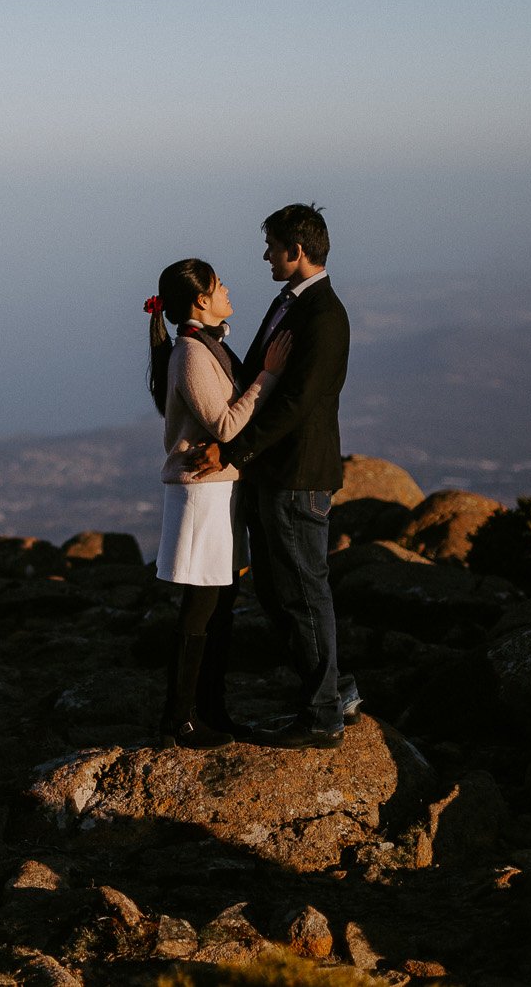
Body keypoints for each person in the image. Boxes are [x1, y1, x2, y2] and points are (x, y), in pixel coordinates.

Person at [194, 203, 359, 749]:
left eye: (272, 247)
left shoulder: (323, 315)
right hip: (277, 473)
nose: (265, 255)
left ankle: (323, 717)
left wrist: (234, 452)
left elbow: (296, 403)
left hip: (297, 475)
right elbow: (261, 375)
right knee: (276, 588)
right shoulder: (290, 303)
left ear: (297, 249)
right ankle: (335, 692)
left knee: (302, 592)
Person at [146, 257, 290, 748]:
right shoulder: (191, 352)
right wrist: (268, 376)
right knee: (201, 605)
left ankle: (210, 711)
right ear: (201, 300)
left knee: (220, 604)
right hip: (201, 492)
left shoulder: (209, 345)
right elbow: (225, 425)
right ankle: (179, 719)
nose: (228, 289)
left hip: (220, 488)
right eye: (219, 284)